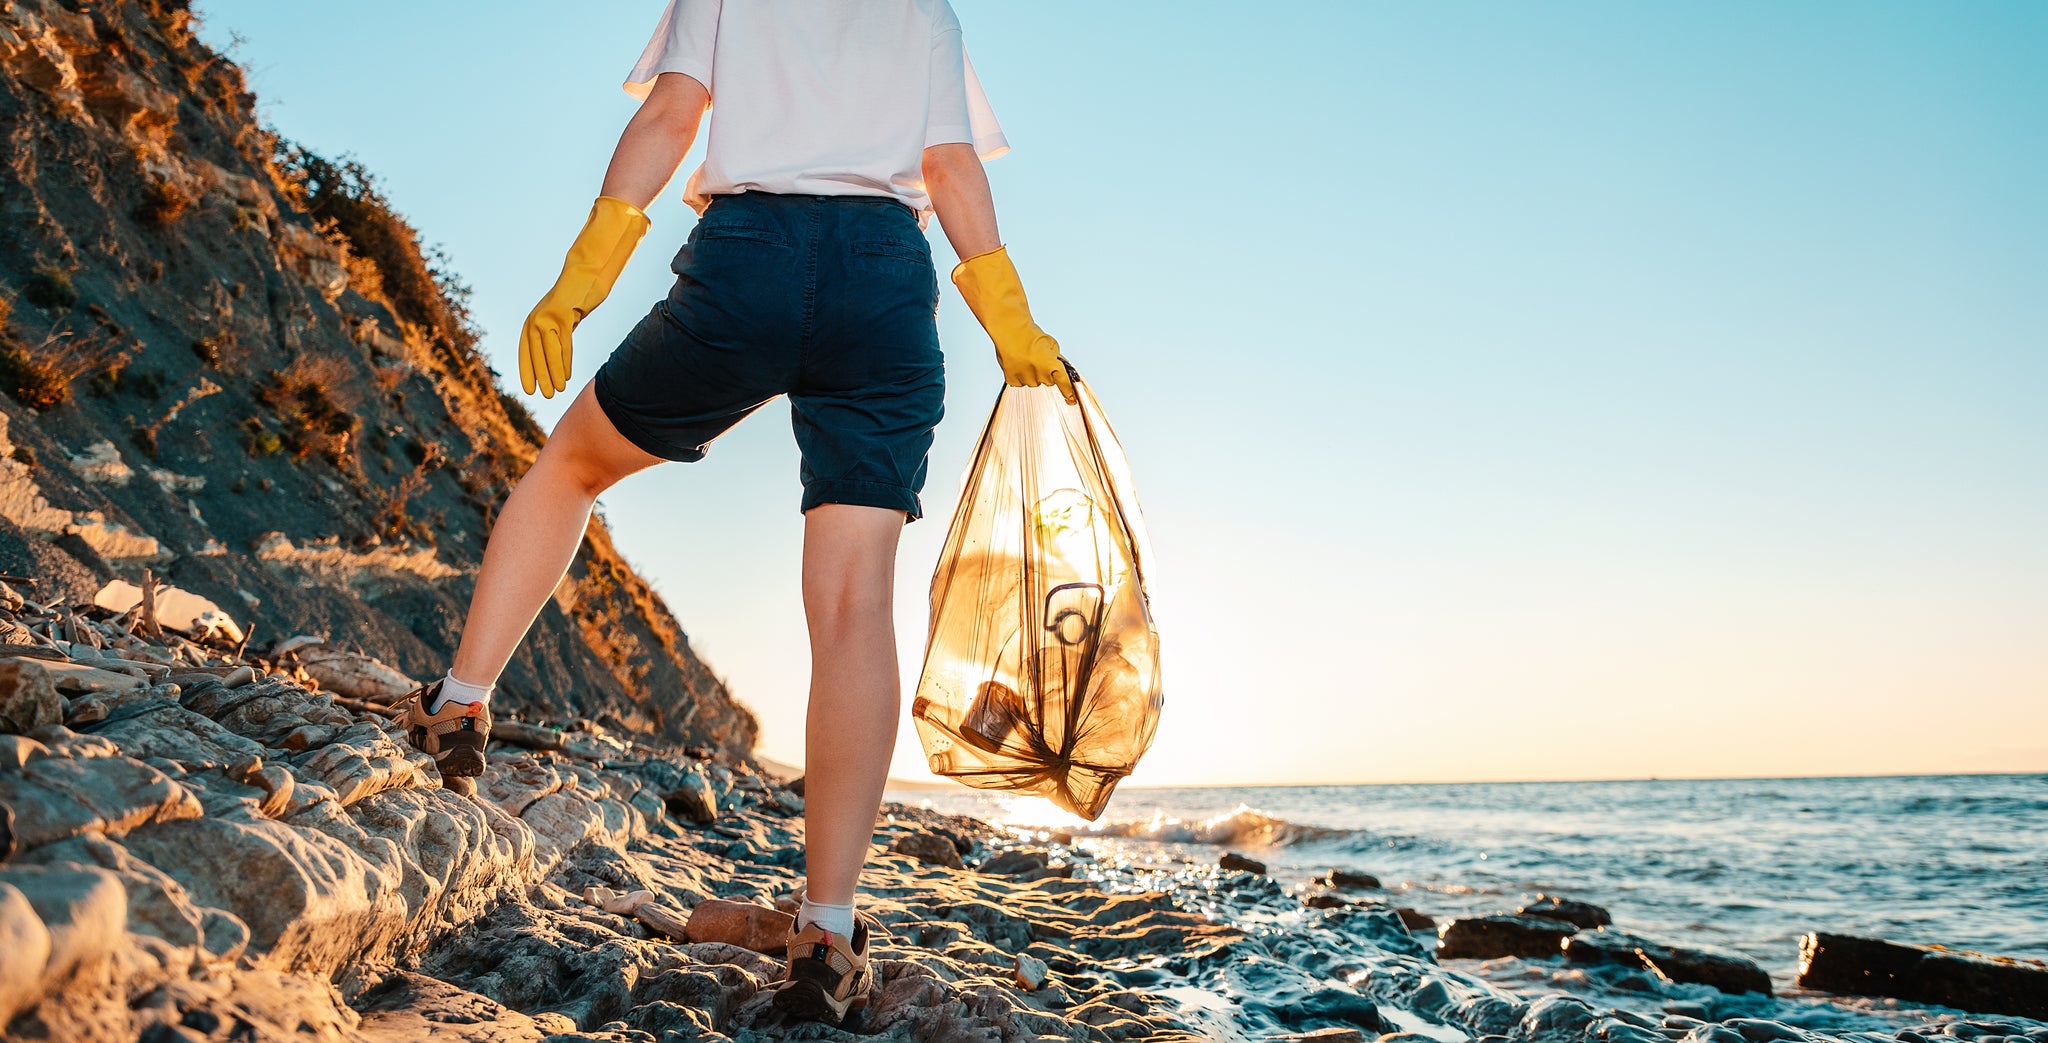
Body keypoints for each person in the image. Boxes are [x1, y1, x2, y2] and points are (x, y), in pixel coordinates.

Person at [393, 0, 1072, 1026]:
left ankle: (459, 702)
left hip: (748, 254)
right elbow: (950, 167)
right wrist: (1007, 313)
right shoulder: (923, 9)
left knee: (571, 467)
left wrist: (581, 280)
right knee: (852, 605)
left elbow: (672, 117)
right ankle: (827, 931)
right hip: (884, 281)